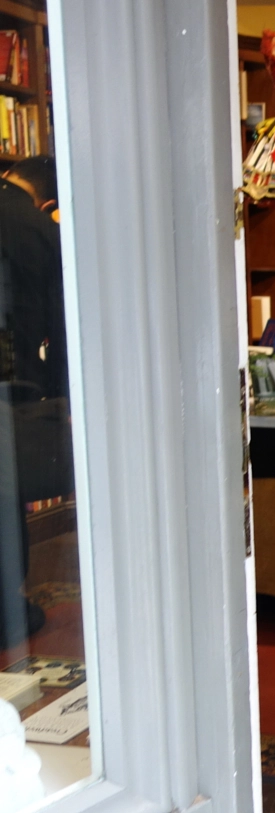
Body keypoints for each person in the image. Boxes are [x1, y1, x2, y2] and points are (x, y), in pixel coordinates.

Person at [0, 156, 69, 648]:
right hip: (14, 387)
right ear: (48, 200)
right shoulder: (41, 230)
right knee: (6, 493)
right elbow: (61, 325)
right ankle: (8, 605)